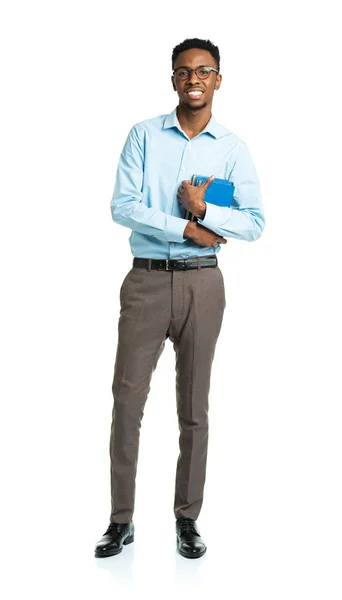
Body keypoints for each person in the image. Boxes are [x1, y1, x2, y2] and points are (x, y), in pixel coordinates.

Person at [94, 37, 265, 560]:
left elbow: (255, 224)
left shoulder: (233, 148)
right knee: (128, 402)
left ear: (218, 80)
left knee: (194, 407)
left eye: (204, 70)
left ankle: (187, 520)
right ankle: (120, 520)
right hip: (146, 281)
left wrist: (206, 212)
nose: (194, 78)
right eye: (184, 71)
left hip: (203, 285)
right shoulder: (143, 135)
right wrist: (187, 226)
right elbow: (123, 206)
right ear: (173, 79)